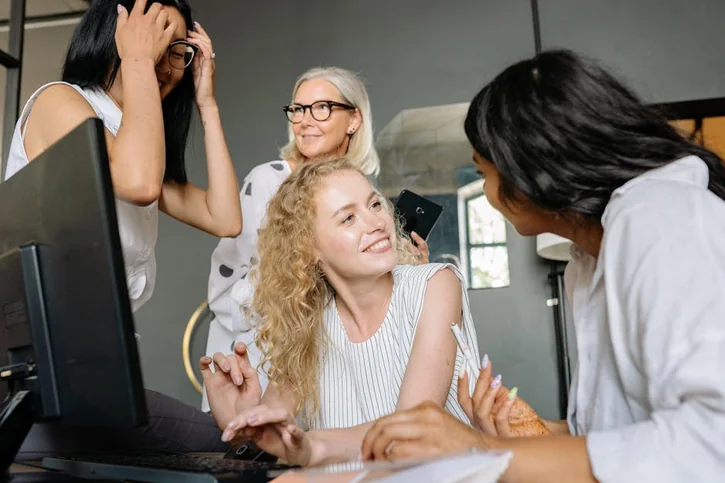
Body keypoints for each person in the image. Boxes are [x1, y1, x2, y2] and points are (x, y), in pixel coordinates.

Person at [359, 49, 725, 482]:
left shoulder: (664, 222)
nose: (488, 194)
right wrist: (532, 434)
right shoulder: (586, 261)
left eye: (484, 174)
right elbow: (623, 436)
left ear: (529, 171)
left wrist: (484, 450)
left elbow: (708, 446)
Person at [9, 0, 241, 458]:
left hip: (91, 377)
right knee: (230, 446)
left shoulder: (135, 143)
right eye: (151, 33)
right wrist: (137, 58)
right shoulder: (59, 101)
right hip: (37, 381)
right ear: (113, 32)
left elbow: (224, 217)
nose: (164, 60)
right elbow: (137, 182)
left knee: (235, 446)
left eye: (178, 49)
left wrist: (207, 103)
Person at [202, 159, 479, 467]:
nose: (376, 223)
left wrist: (312, 448)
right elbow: (272, 435)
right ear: (309, 249)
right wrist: (243, 417)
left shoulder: (436, 284)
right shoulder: (308, 328)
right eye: (348, 218)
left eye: (374, 204)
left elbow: (407, 433)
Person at [202, 67, 429, 409]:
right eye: (298, 109)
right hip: (262, 365)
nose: (305, 120)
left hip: (335, 370)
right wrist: (310, 282)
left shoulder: (363, 190)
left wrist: (406, 265)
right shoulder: (268, 182)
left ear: (354, 119)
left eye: (321, 108)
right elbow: (229, 291)